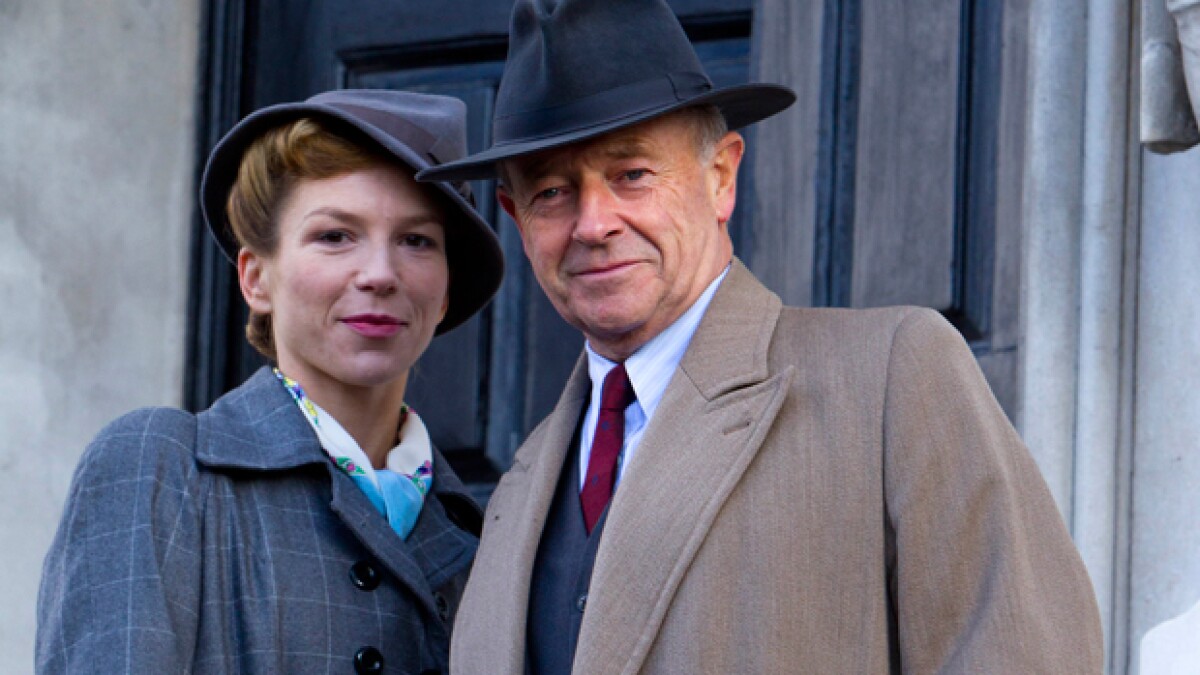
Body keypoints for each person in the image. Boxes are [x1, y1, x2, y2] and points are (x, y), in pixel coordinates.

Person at [417, 0, 1105, 672]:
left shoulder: (894, 378)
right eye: (552, 192)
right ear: (515, 216)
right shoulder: (520, 485)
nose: (593, 223)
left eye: (632, 174)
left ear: (720, 177)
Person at [36, 89, 503, 674]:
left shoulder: (490, 529)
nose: (381, 274)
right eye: (335, 235)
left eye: (417, 241)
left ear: (445, 293)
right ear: (256, 279)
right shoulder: (163, 469)